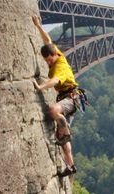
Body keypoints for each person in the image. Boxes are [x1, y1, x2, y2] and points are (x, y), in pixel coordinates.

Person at [31, 15, 78, 177]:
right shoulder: (56, 52)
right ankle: (71, 165)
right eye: (46, 61)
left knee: (52, 110)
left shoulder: (60, 67)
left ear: (53, 56)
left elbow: (55, 80)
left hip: (71, 99)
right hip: (65, 99)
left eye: (48, 60)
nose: (48, 63)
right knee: (61, 137)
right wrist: (38, 26)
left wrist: (40, 87)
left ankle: (65, 131)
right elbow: (48, 40)